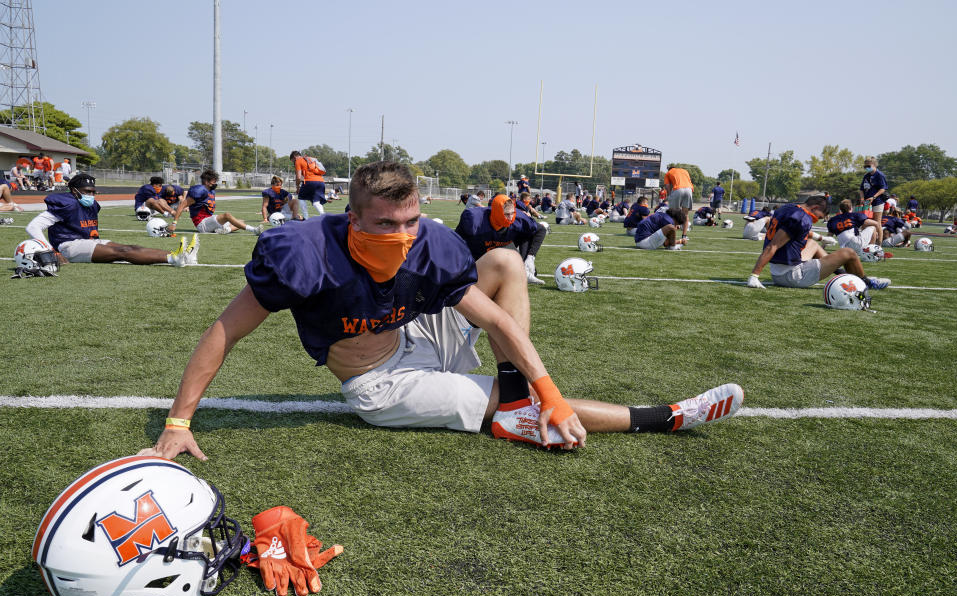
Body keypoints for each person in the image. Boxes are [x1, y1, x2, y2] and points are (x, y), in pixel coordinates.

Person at [138, 161, 743, 462]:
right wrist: (179, 422)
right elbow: (225, 331)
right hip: (383, 379)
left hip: (415, 328)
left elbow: (498, 318)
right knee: (513, 405)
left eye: (408, 221)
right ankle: (667, 417)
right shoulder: (303, 253)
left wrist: (544, 389)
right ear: (352, 217)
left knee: (505, 261)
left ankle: (512, 401)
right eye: (383, 223)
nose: (400, 234)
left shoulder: (431, 241)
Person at [25, 173, 197, 267]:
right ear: (74, 190)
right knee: (122, 252)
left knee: (132, 247)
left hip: (87, 241)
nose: (90, 195)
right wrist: (50, 251)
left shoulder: (91, 205)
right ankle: (173, 259)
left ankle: (177, 255)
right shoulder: (66, 203)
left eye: (92, 191)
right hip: (69, 246)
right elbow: (33, 227)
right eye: (86, 191)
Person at [746, 196, 890, 290]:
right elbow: (773, 245)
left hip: (778, 271)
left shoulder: (787, 208)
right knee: (849, 253)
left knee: (812, 244)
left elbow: (790, 232)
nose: (815, 220)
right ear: (814, 208)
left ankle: (841, 274)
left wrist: (821, 238)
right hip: (791, 276)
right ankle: (867, 283)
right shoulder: (801, 218)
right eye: (818, 217)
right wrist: (754, 275)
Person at [456, 193, 546, 285]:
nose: (511, 217)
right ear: (496, 212)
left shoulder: (519, 219)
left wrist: (530, 257)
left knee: (518, 272)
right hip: (477, 253)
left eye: (512, 213)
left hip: (502, 247)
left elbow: (541, 230)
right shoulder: (474, 221)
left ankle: (523, 267)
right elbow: (456, 242)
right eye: (507, 214)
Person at [171, 169, 263, 235]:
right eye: (213, 181)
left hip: (209, 220)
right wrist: (174, 223)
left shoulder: (211, 191)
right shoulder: (199, 190)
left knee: (240, 222)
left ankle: (226, 230)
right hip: (202, 224)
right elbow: (181, 205)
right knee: (227, 215)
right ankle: (254, 230)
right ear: (207, 182)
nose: (215, 183)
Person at [290, 150, 327, 218]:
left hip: (310, 181)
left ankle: (306, 217)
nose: (294, 163)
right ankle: (323, 216)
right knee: (316, 202)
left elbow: (298, 177)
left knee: (301, 198)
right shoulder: (311, 159)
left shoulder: (298, 160)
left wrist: (297, 187)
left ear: (295, 157)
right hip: (321, 181)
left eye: (293, 161)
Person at [663, 166, 694, 237]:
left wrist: (669, 195)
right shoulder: (685, 171)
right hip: (689, 190)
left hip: (678, 189)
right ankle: (684, 235)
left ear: (669, 169)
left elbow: (667, 186)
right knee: (685, 214)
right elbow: (689, 182)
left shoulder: (668, 173)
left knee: (673, 214)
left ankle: (671, 236)